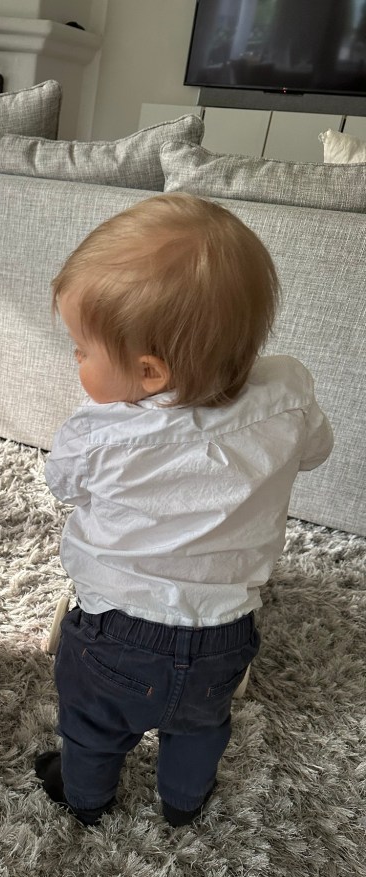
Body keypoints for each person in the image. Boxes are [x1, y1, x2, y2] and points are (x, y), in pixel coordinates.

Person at [36, 193, 333, 827]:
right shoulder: (287, 393)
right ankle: (182, 804)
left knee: (92, 723)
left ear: (149, 372)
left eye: (82, 350)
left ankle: (85, 798)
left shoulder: (99, 432)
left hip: (115, 633)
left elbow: (63, 485)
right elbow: (315, 452)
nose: (75, 360)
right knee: (201, 726)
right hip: (226, 634)